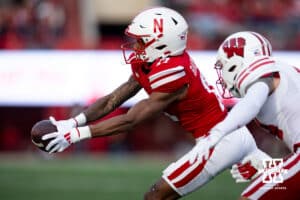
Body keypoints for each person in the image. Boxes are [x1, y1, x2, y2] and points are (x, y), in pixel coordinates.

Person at [41, 8, 269, 199]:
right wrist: (72, 122)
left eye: (141, 41)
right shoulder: (155, 61)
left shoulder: (173, 72)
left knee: (155, 196)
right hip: (232, 134)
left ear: (161, 45)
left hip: (219, 142)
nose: (135, 47)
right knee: (282, 183)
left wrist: (74, 136)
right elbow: (115, 98)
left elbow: (131, 120)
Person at [194, 31, 299, 200]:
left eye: (224, 65)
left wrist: (217, 133)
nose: (222, 78)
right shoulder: (282, 71)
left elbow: (252, 103)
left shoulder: (262, 76)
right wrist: (267, 167)